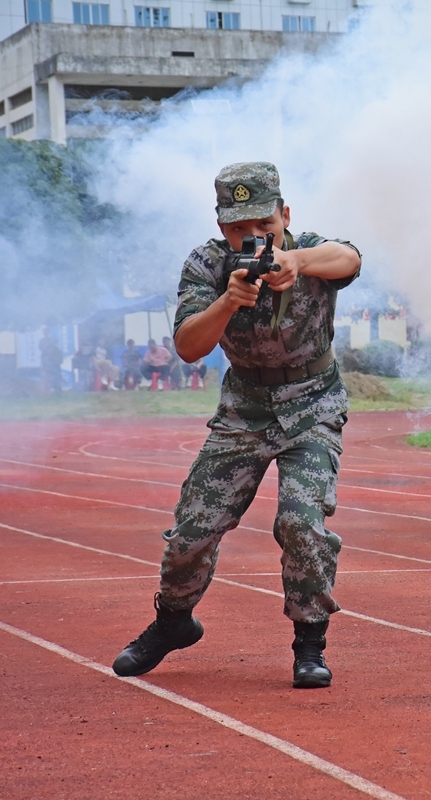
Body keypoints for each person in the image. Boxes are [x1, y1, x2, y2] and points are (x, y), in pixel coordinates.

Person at [112, 162, 362, 688]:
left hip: (312, 405)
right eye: (237, 228)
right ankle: (174, 620)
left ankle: (310, 643)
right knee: (191, 532)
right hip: (244, 410)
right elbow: (188, 346)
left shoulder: (310, 248)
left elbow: (350, 257)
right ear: (221, 226)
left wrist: (295, 260)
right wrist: (228, 300)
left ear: (285, 215)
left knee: (300, 521)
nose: (251, 238)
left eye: (263, 226)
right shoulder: (207, 263)